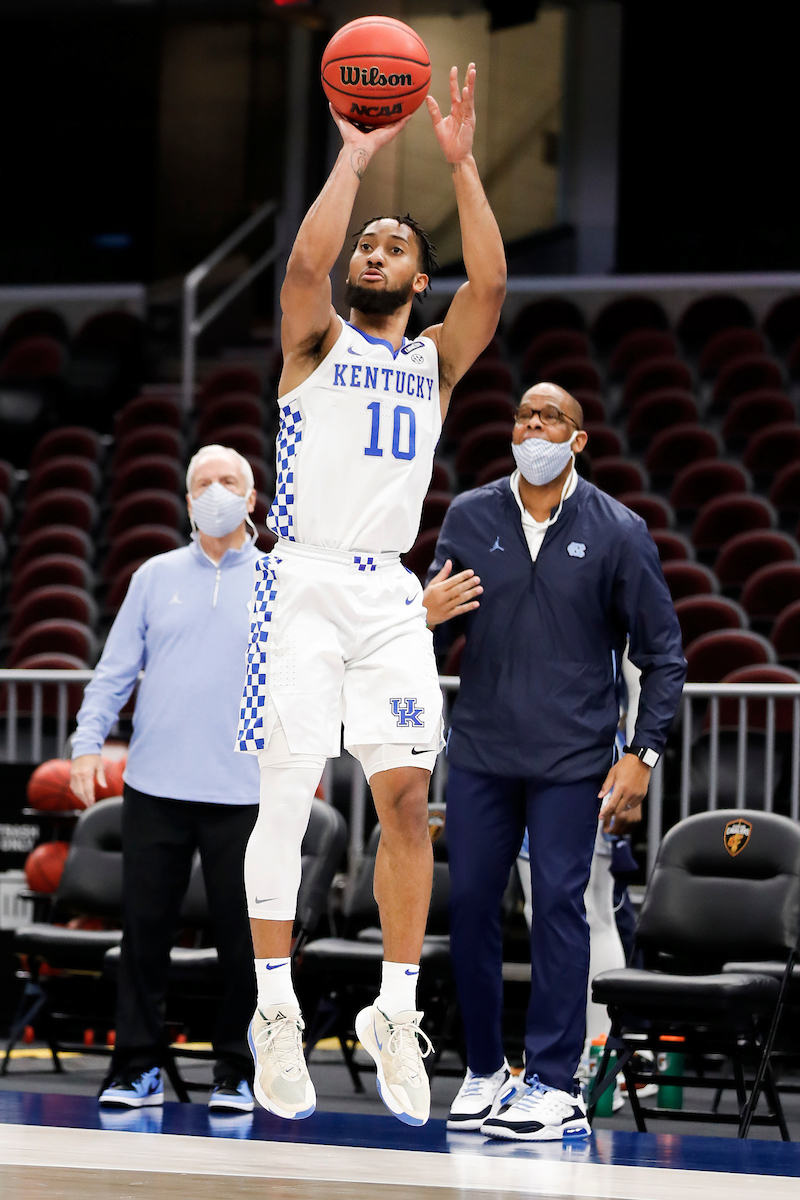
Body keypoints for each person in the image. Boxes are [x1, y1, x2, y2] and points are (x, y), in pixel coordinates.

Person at [235, 64, 505, 1127]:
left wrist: (462, 166)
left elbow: (490, 290)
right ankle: (273, 1007)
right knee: (287, 797)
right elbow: (305, 261)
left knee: (404, 804)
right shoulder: (315, 340)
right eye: (367, 244)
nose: (371, 252)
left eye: (393, 246)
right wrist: (353, 158)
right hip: (300, 577)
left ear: (418, 279)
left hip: (390, 592)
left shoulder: (434, 362)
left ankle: (395, 1008)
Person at [423, 382, 686, 1141]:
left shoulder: (619, 530)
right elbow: (432, 634)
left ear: (578, 439)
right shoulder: (470, 516)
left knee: (560, 908)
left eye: (551, 417)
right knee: (471, 907)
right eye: (523, 416)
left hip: (573, 759)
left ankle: (554, 1083)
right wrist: (421, 617)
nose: (534, 426)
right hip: (481, 752)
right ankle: (485, 1071)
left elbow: (664, 656)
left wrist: (641, 756)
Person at [70, 444, 263, 1113]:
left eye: (228, 481)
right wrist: (86, 744)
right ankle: (136, 1067)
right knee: (144, 936)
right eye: (203, 482)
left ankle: (238, 1070)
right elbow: (114, 670)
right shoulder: (154, 576)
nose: (216, 491)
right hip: (155, 785)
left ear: (251, 497)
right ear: (186, 501)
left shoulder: (281, 581)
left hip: (246, 790)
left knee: (244, 942)